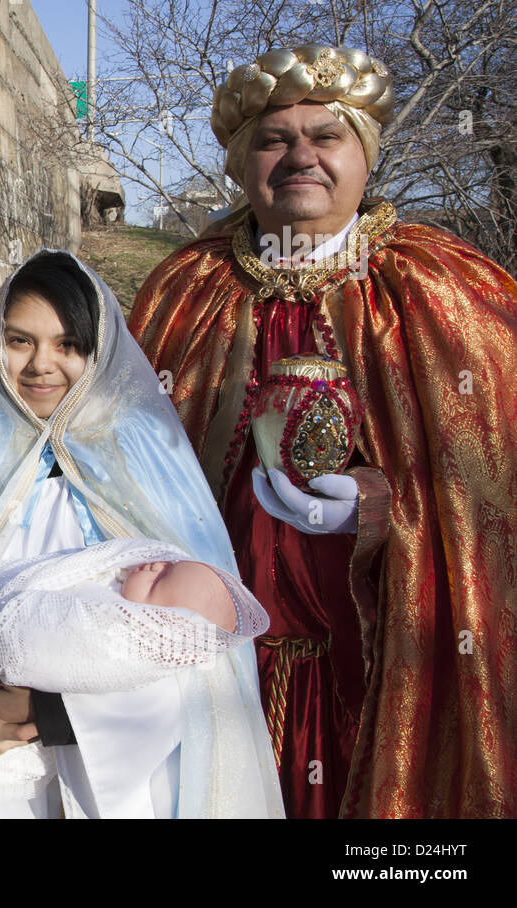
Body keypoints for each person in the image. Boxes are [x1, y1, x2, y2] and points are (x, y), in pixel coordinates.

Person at [128, 44, 517, 817]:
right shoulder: (184, 290)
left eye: (326, 136)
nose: (300, 155)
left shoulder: (446, 288)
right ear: (243, 164)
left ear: (363, 156)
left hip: (383, 669)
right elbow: (122, 469)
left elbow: (491, 488)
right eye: (275, 139)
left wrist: (379, 504)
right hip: (214, 666)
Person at [0, 249, 282, 819]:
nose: (42, 364)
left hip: (129, 787)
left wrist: (56, 713)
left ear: (99, 351)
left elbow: (202, 655)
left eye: (68, 344)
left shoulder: (145, 457)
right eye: (20, 340)